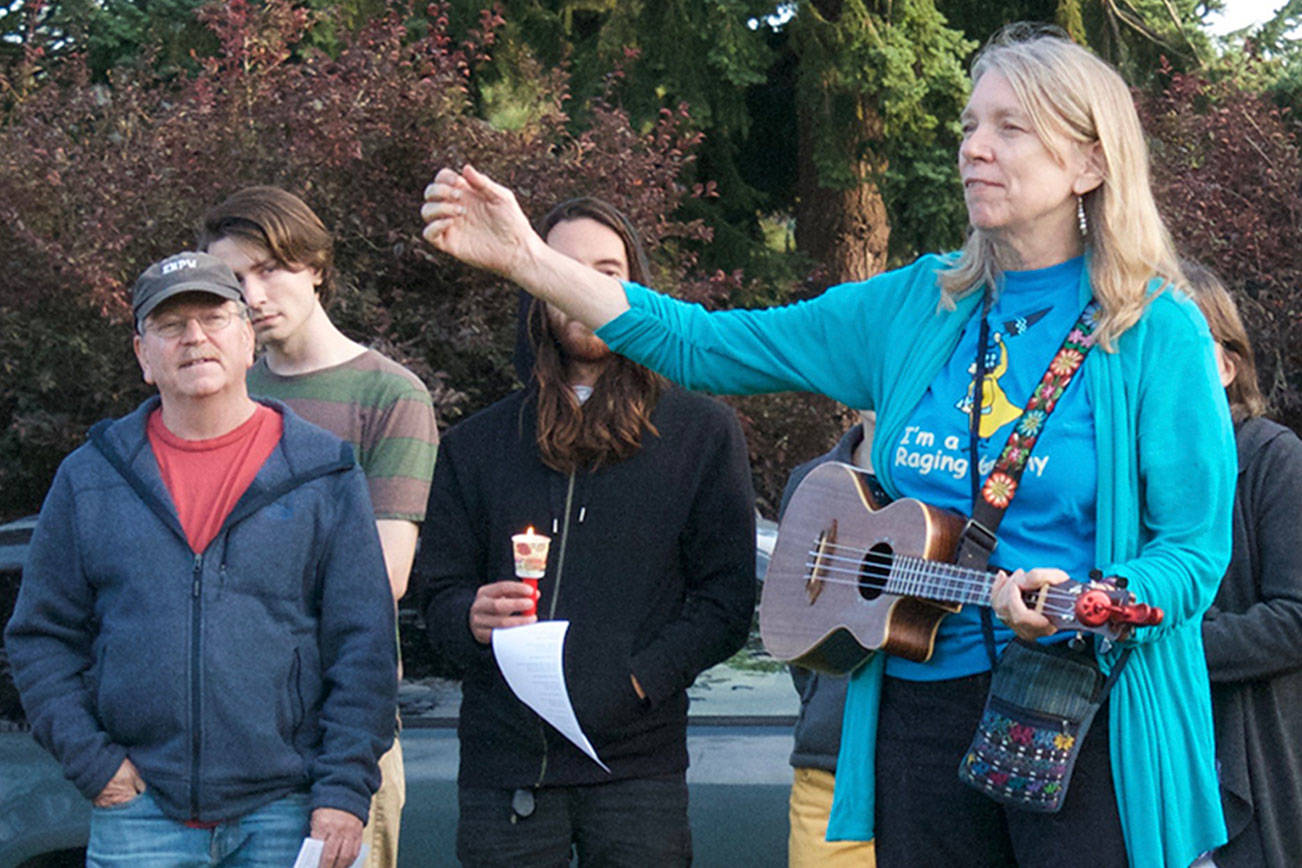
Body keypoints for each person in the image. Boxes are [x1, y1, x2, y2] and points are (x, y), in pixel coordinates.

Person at [418, 25, 1236, 868]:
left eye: (1010, 128)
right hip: (920, 711)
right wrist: (527, 261)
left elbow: (1193, 551)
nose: (973, 149)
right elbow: (703, 344)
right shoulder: (916, 305)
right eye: (968, 126)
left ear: (1091, 163)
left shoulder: (1157, 330)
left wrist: (1100, 596)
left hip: (1084, 713)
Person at [4, 252, 397, 868]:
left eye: (213, 318)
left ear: (248, 339)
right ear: (143, 355)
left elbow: (365, 646)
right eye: (170, 325)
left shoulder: (323, 471)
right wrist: (93, 761)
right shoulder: (90, 477)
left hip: (288, 810)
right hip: (140, 815)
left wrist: (343, 791)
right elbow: (40, 638)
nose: (194, 337)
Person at [414, 196, 756, 866]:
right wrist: (470, 618)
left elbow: (725, 603)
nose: (583, 288)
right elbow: (437, 600)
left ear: (637, 288)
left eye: (606, 272)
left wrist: (637, 683)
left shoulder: (701, 433)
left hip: (639, 773)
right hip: (505, 775)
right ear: (535, 287)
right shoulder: (475, 445)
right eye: (562, 269)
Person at [200, 187, 438, 868]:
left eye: (269, 268)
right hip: (221, 732)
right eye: (234, 279)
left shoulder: (390, 395)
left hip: (343, 735)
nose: (253, 294)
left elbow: (385, 574)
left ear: (315, 268)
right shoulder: (219, 391)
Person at [1184, 262, 1302, 868]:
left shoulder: (1273, 459)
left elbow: (1295, 619)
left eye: (1186, 341)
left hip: (1241, 750)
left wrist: (1166, 641)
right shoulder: (1124, 472)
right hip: (1142, 745)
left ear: (1228, 366)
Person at [782, 411, 878, 868]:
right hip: (828, 771)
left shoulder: (960, 480)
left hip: (933, 772)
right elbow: (794, 622)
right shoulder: (811, 481)